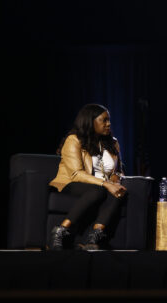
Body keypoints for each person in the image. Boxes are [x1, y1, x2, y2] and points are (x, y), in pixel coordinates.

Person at [48, 104, 129, 250]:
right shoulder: (74, 140)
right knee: (98, 191)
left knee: (117, 192)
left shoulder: (113, 143)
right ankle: (60, 230)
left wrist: (115, 179)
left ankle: (94, 236)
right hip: (73, 182)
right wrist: (106, 184)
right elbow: (76, 173)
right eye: (104, 120)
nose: (108, 124)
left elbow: (118, 170)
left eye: (109, 120)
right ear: (90, 121)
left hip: (102, 185)